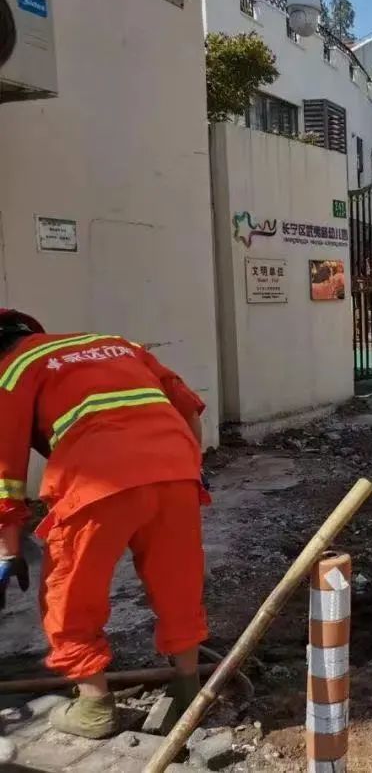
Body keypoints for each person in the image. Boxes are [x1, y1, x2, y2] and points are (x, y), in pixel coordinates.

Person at [0, 309, 209, 739]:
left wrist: (8, 548)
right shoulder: (118, 344)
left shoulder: (13, 368)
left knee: (71, 593)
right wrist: (191, 468)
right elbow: (188, 407)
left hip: (97, 481)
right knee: (178, 581)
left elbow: (5, 471)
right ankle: (189, 687)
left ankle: (94, 707)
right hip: (175, 468)